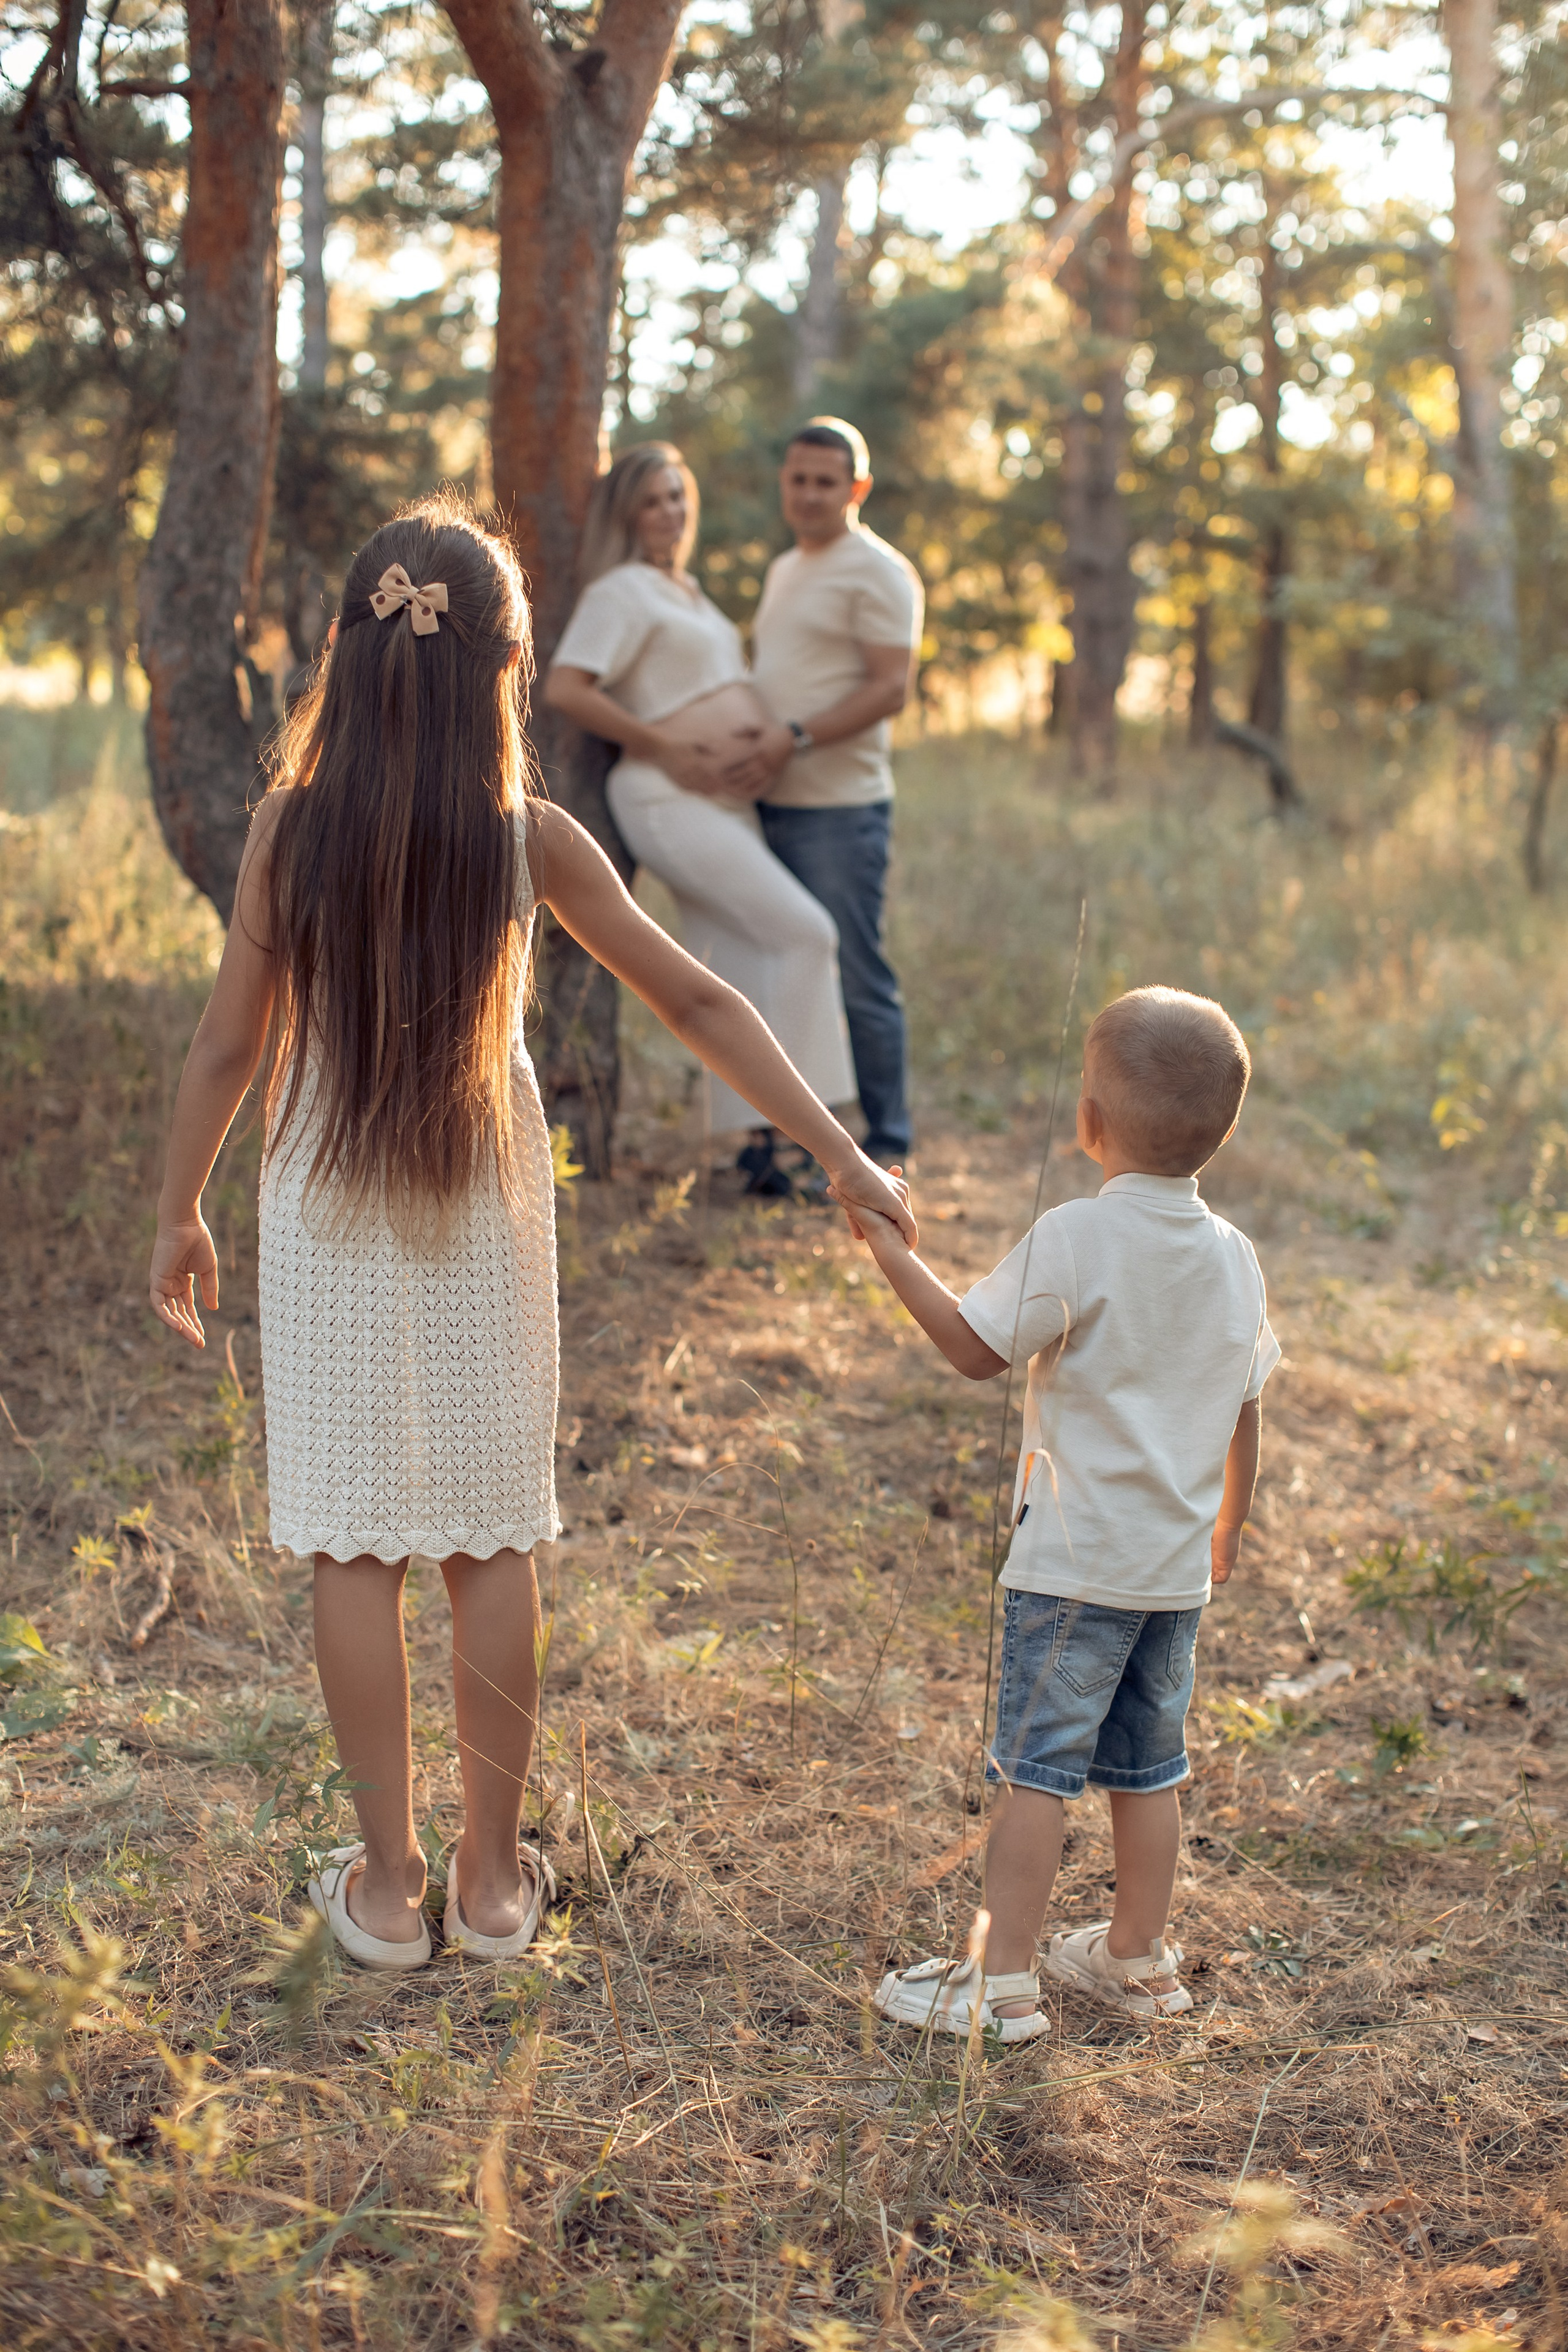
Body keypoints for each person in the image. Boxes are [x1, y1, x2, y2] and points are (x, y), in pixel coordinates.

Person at [147, 494, 914, 1974]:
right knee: (491, 1533)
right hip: (481, 1194)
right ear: (503, 668)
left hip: (321, 1194)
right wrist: (836, 1142)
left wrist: (180, 1205)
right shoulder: (532, 837)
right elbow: (695, 996)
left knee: (348, 1540)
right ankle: (496, 1887)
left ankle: (387, 1887)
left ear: (344, 658)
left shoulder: (285, 832)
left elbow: (226, 1047)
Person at [842, 987, 1278, 2041]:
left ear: (1090, 1121)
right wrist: (1228, 1527)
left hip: (1074, 1570)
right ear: (1221, 1131)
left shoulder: (1078, 1235)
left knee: (1037, 1773)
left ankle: (998, 1983)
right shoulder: (1236, 1257)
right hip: (1172, 1571)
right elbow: (1246, 1412)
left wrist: (887, 1247)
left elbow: (970, 1347)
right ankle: (1138, 1959)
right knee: (1148, 1769)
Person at [544, 443, 855, 1178]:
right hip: (662, 795)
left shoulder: (687, 591)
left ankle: (760, 1149)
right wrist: (664, 748)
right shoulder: (620, 590)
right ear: (625, 514)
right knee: (805, 932)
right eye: (651, 500)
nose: (669, 513)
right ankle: (815, 1143)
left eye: (678, 497)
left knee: (744, 954)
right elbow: (567, 686)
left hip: (719, 801)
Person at [720, 418, 923, 1170]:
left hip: (840, 810)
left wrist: (793, 736)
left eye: (825, 483)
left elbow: (889, 688)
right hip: (767, 802)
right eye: (797, 479)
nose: (807, 494)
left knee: (856, 974)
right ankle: (796, 1142)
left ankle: (887, 1143)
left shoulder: (877, 570)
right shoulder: (785, 569)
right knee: (787, 972)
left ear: (857, 489)